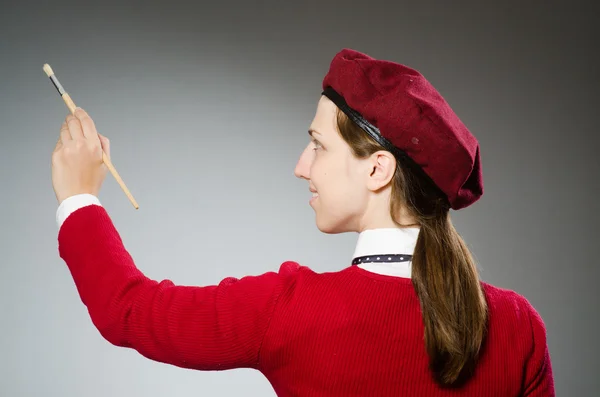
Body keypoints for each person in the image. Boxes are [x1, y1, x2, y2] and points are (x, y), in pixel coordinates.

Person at [51, 48, 555, 396]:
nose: (301, 165)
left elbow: (129, 311)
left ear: (378, 169)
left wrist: (79, 196)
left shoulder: (289, 312)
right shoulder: (518, 326)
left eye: (318, 144)